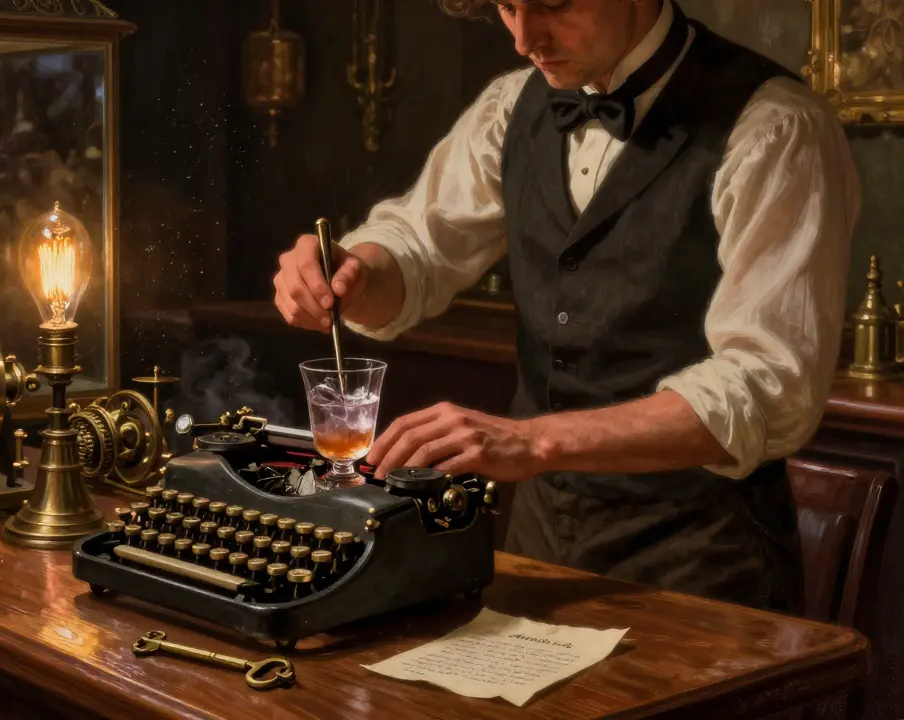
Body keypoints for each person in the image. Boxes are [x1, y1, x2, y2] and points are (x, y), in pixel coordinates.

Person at [271, 0, 860, 613]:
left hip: (703, 566)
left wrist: (533, 442)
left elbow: (766, 387)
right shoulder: (510, 106)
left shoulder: (777, 128)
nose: (524, 38)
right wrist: (358, 273)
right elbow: (419, 246)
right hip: (539, 544)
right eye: (507, 6)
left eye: (552, 3)